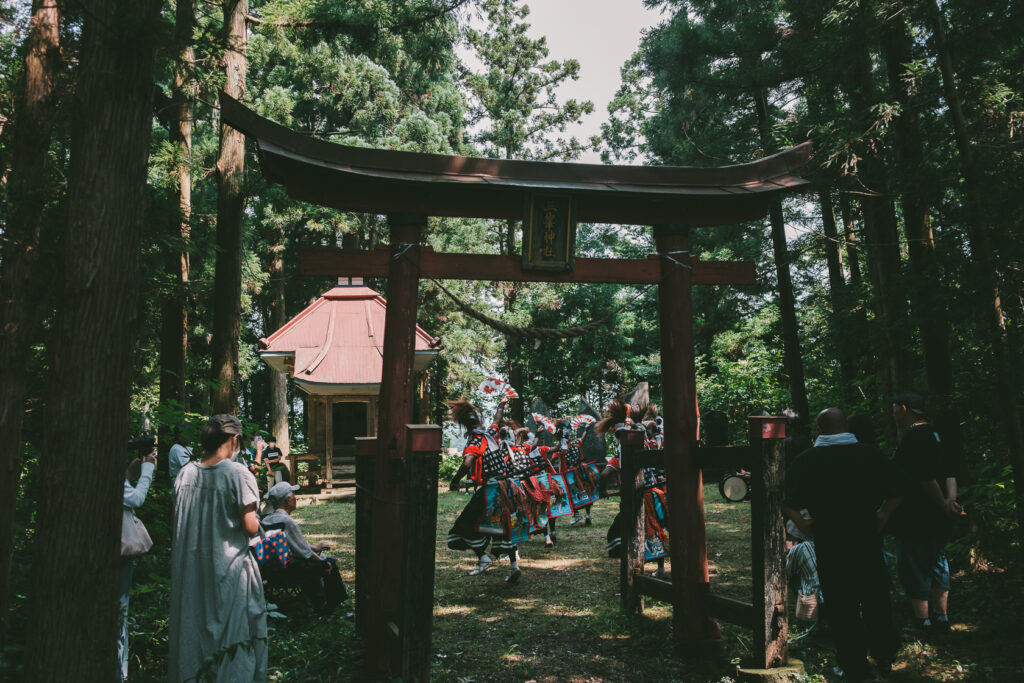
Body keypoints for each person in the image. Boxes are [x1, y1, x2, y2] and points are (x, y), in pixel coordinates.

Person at [784, 407, 901, 682]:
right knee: (875, 597)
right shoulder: (870, 454)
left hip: (830, 540)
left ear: (818, 429)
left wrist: (803, 524)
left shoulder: (807, 460)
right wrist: (883, 514)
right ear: (846, 427)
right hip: (867, 538)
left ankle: (854, 665)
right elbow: (899, 489)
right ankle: (884, 654)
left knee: (841, 604)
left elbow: (787, 501)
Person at [169, 414, 267, 683]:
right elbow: (249, 527)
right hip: (230, 571)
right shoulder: (238, 474)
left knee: (194, 629)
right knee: (233, 635)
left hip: (192, 571)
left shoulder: (185, 473)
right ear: (235, 439)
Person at [882, 392, 961, 638]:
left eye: (894, 408)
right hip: (939, 518)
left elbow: (925, 477)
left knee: (913, 566)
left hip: (916, 517)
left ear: (904, 408)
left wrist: (941, 503)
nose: (892, 412)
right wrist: (951, 502)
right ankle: (942, 618)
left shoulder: (913, 438)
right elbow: (949, 473)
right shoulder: (936, 435)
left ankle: (922, 623)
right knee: (938, 563)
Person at [446, 396, 524, 584]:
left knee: (465, 524)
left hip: (491, 489)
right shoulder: (491, 433)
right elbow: (497, 419)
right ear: (479, 421)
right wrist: (501, 404)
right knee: (504, 525)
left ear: (465, 425)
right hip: (506, 487)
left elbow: (467, 463)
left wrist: (455, 481)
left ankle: (483, 558)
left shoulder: (475, 440)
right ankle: (513, 566)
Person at [260, 482, 346, 615]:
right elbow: (304, 552)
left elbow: (291, 543)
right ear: (288, 500)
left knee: (318, 561)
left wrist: (315, 547)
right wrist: (323, 562)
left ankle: (315, 601)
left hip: (272, 570)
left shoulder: (266, 520)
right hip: (288, 572)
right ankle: (328, 607)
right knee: (329, 564)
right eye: (294, 495)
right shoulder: (287, 522)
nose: (296, 498)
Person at [119, 449, 156, 681]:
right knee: (119, 614)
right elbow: (136, 499)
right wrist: (148, 469)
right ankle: (119, 675)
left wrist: (127, 475)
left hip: (118, 552)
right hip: (119, 554)